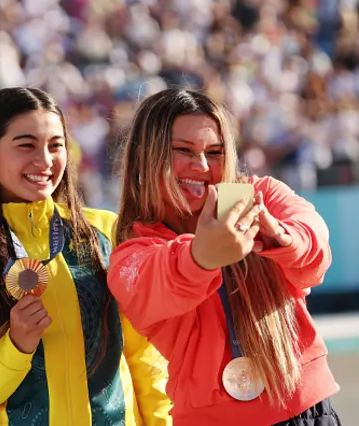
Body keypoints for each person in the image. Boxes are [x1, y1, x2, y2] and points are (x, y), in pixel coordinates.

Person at [0, 87, 172, 425]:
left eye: (55, 145)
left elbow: (145, 357)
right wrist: (15, 346)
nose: (45, 161)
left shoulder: (108, 234)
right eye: (26, 145)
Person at [107, 88, 341, 426]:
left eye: (214, 152)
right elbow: (157, 281)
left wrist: (280, 238)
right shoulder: (133, 251)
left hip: (309, 411)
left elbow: (315, 253)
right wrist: (202, 255)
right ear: (148, 156)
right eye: (183, 150)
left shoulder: (263, 196)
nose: (201, 166)